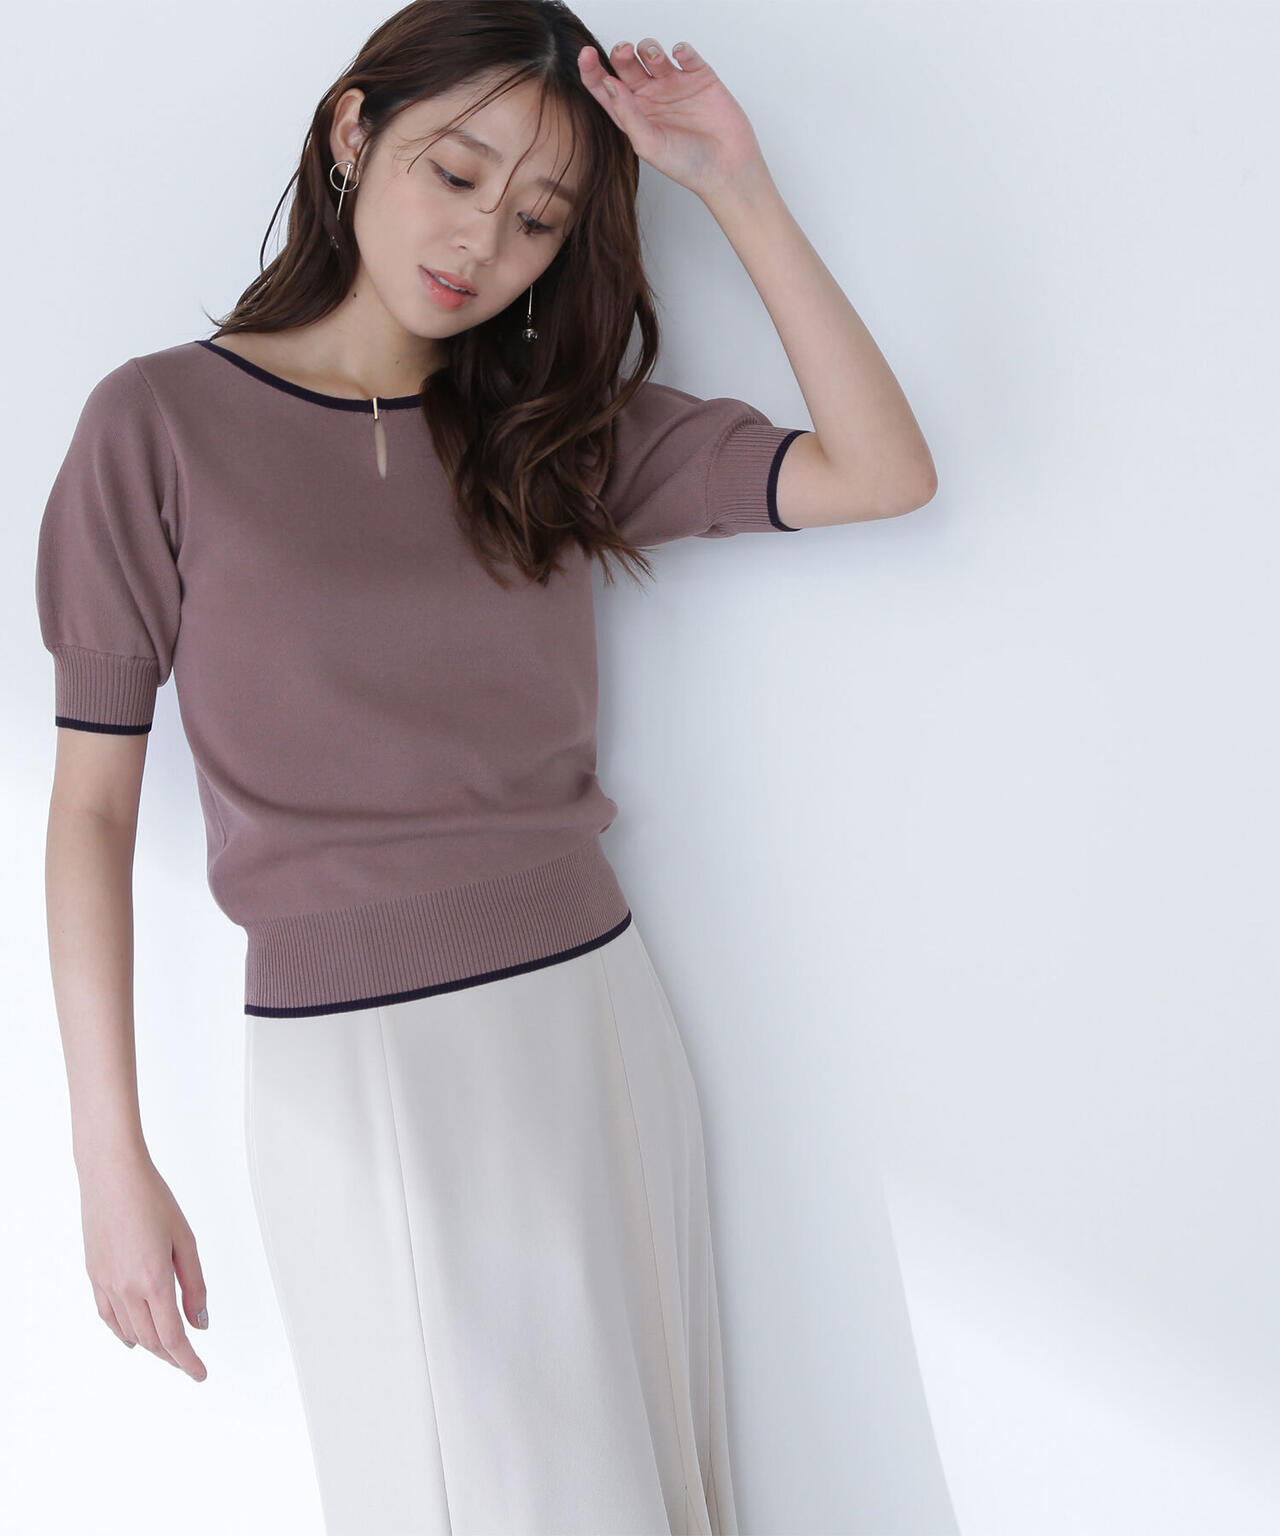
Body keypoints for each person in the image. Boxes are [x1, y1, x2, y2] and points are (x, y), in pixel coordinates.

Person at [34, 2, 936, 1531]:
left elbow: (883, 468)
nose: (482, 242)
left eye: (537, 218)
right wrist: (107, 1159)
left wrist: (737, 189)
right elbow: (90, 812)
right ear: (353, 131)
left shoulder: (546, 434)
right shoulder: (157, 425)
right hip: (355, 1069)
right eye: (455, 174)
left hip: (594, 1027)